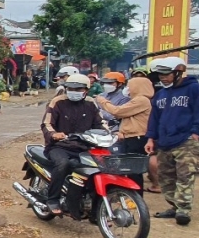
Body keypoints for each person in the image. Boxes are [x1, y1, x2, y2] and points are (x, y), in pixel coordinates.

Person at [145, 57, 199, 226]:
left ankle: (183, 210)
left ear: (178, 73)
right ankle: (174, 206)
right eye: (160, 74)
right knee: (165, 177)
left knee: (185, 175)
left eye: (166, 74)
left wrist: (196, 133)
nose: (163, 77)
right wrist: (151, 138)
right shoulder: (160, 94)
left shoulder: (195, 89)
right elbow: (154, 118)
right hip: (164, 141)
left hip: (186, 141)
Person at [40, 74, 102, 215]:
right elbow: (46, 123)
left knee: (99, 168)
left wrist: (111, 133)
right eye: (70, 88)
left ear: (86, 90)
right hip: (59, 146)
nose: (74, 91)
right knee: (63, 164)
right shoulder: (58, 102)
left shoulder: (91, 103)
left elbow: (100, 123)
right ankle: (53, 199)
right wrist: (54, 134)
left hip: (84, 147)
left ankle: (95, 211)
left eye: (78, 89)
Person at [96, 76, 155, 192]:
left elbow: (117, 111)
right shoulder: (136, 100)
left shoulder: (141, 100)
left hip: (137, 138)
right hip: (131, 137)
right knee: (130, 170)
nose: (128, 89)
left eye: (130, 86)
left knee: (134, 170)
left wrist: (102, 101)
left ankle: (136, 195)